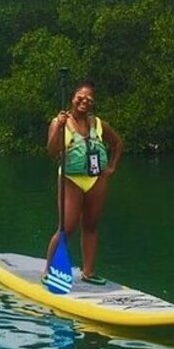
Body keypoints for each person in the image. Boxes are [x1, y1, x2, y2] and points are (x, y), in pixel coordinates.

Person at [44, 81, 123, 285]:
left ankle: (88, 272)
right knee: (67, 227)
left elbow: (117, 143)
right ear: (73, 98)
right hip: (70, 179)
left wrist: (111, 168)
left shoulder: (98, 123)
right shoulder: (60, 122)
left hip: (96, 179)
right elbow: (52, 151)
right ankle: (49, 270)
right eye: (81, 97)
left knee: (91, 225)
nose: (84, 101)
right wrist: (59, 127)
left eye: (89, 99)